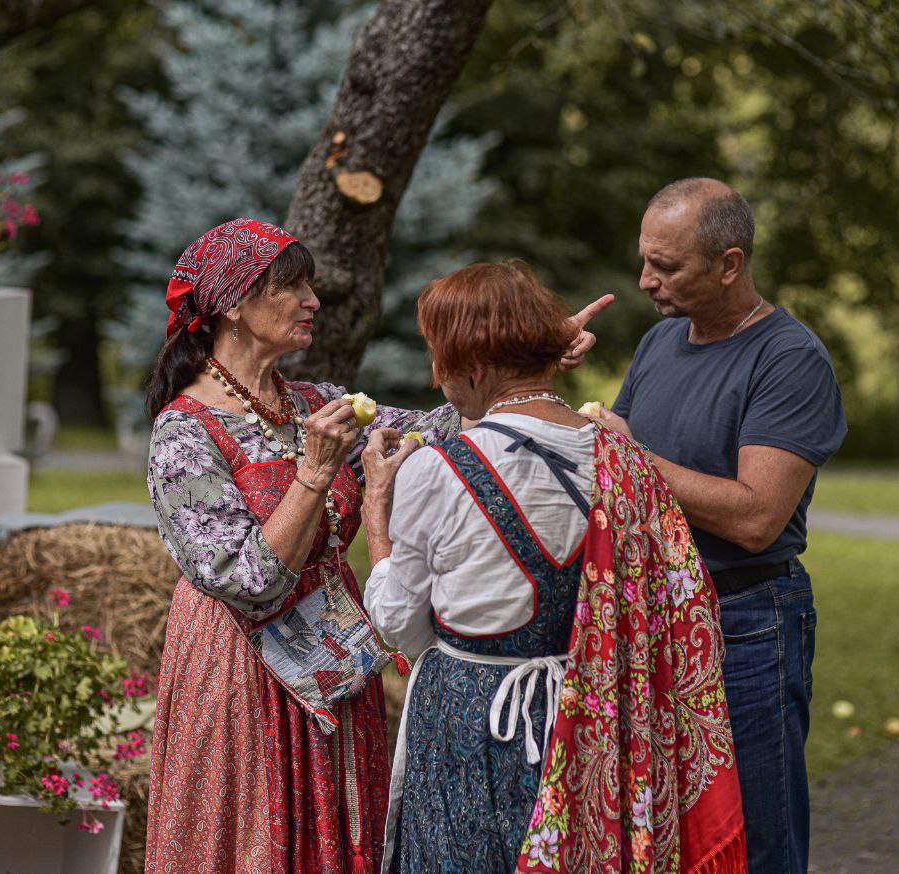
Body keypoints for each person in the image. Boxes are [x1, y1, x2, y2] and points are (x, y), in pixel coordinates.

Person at [142, 219, 603, 873]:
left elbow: (446, 424)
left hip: (334, 665)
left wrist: (525, 361)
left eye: (311, 286)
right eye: (293, 287)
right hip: (242, 673)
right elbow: (246, 583)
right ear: (235, 305)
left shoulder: (314, 405)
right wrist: (314, 473)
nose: (313, 301)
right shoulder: (184, 434)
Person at [363, 261, 747, 874]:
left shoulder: (436, 469)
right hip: (593, 708)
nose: (436, 377)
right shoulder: (622, 458)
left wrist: (375, 517)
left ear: (474, 366)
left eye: (439, 357)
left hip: (473, 716)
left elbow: (399, 626)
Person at [596, 178, 848, 874]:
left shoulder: (788, 358)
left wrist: (632, 456)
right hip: (654, 617)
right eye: (646, 260)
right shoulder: (657, 343)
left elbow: (757, 517)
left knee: (757, 839)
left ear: (729, 264)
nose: (646, 279)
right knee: (670, 834)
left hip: (746, 622)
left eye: (666, 266)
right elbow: (616, 473)